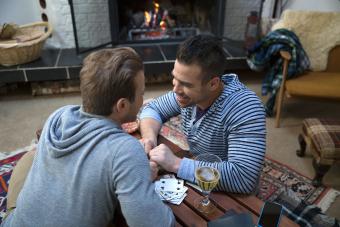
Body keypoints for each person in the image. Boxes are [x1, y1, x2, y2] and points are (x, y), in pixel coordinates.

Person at [1, 47, 175, 227]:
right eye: (142, 94)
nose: (143, 99)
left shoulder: (58, 117)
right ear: (122, 105)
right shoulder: (126, 150)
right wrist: (139, 175)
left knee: (30, 158)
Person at [139, 35, 266, 194]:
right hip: (201, 173)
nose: (175, 90)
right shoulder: (187, 96)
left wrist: (176, 164)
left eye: (185, 84)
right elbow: (153, 109)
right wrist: (149, 139)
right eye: (175, 78)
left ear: (213, 84)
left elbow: (244, 178)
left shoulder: (246, 108)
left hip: (232, 193)